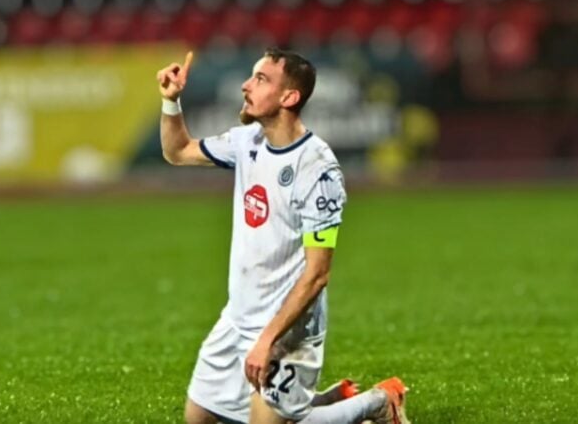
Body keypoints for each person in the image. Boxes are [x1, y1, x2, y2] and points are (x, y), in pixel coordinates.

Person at [157, 48, 410, 424]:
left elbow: (318, 274)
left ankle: (378, 402)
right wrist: (171, 102)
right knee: (199, 419)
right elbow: (177, 151)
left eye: (260, 79)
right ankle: (320, 402)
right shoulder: (247, 142)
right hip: (238, 316)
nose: (246, 85)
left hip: (289, 328)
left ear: (289, 97)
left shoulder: (318, 171)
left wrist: (268, 339)